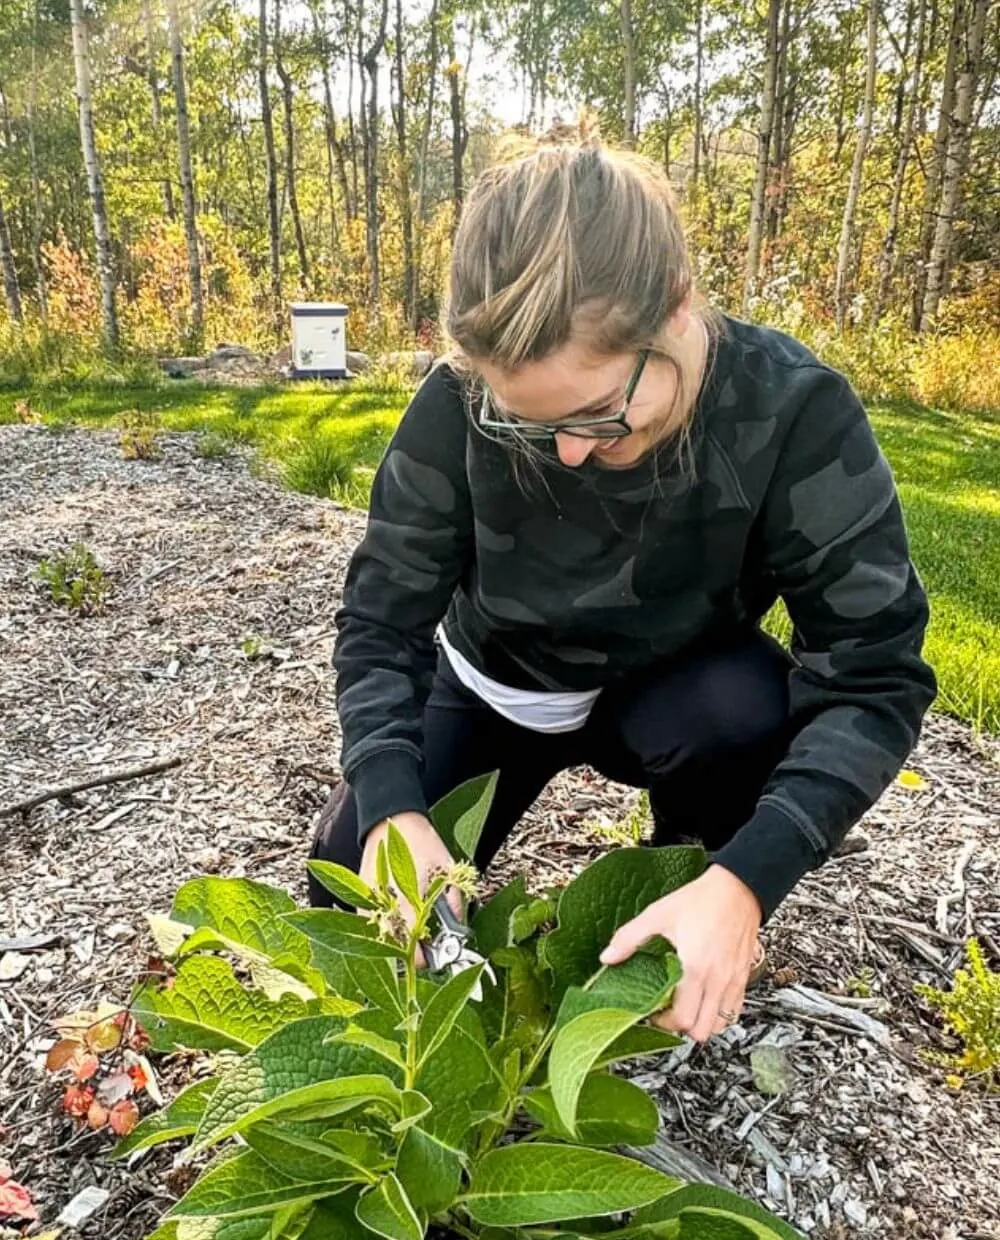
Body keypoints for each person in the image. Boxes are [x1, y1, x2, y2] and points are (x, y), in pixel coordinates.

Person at [307, 136, 936, 1046]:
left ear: (677, 306)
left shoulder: (793, 413)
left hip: (675, 689)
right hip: (497, 685)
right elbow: (381, 618)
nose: (566, 453)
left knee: (742, 711)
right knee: (353, 898)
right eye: (524, 422)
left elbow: (876, 676)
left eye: (599, 414)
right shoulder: (454, 404)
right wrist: (392, 802)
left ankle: (677, 906)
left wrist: (748, 880)